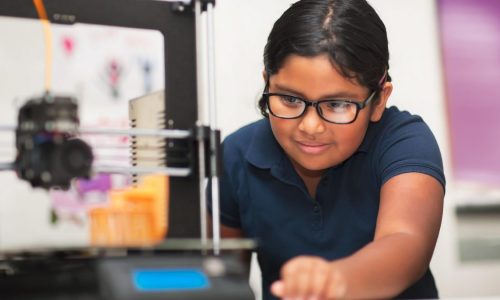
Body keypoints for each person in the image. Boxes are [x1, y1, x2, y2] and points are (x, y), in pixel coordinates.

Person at [212, 0, 445, 299]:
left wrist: (334, 280)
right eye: (290, 99)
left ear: (379, 100)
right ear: (267, 83)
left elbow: (406, 242)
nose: (310, 126)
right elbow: (223, 277)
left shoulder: (404, 141)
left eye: (336, 104)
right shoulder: (236, 154)